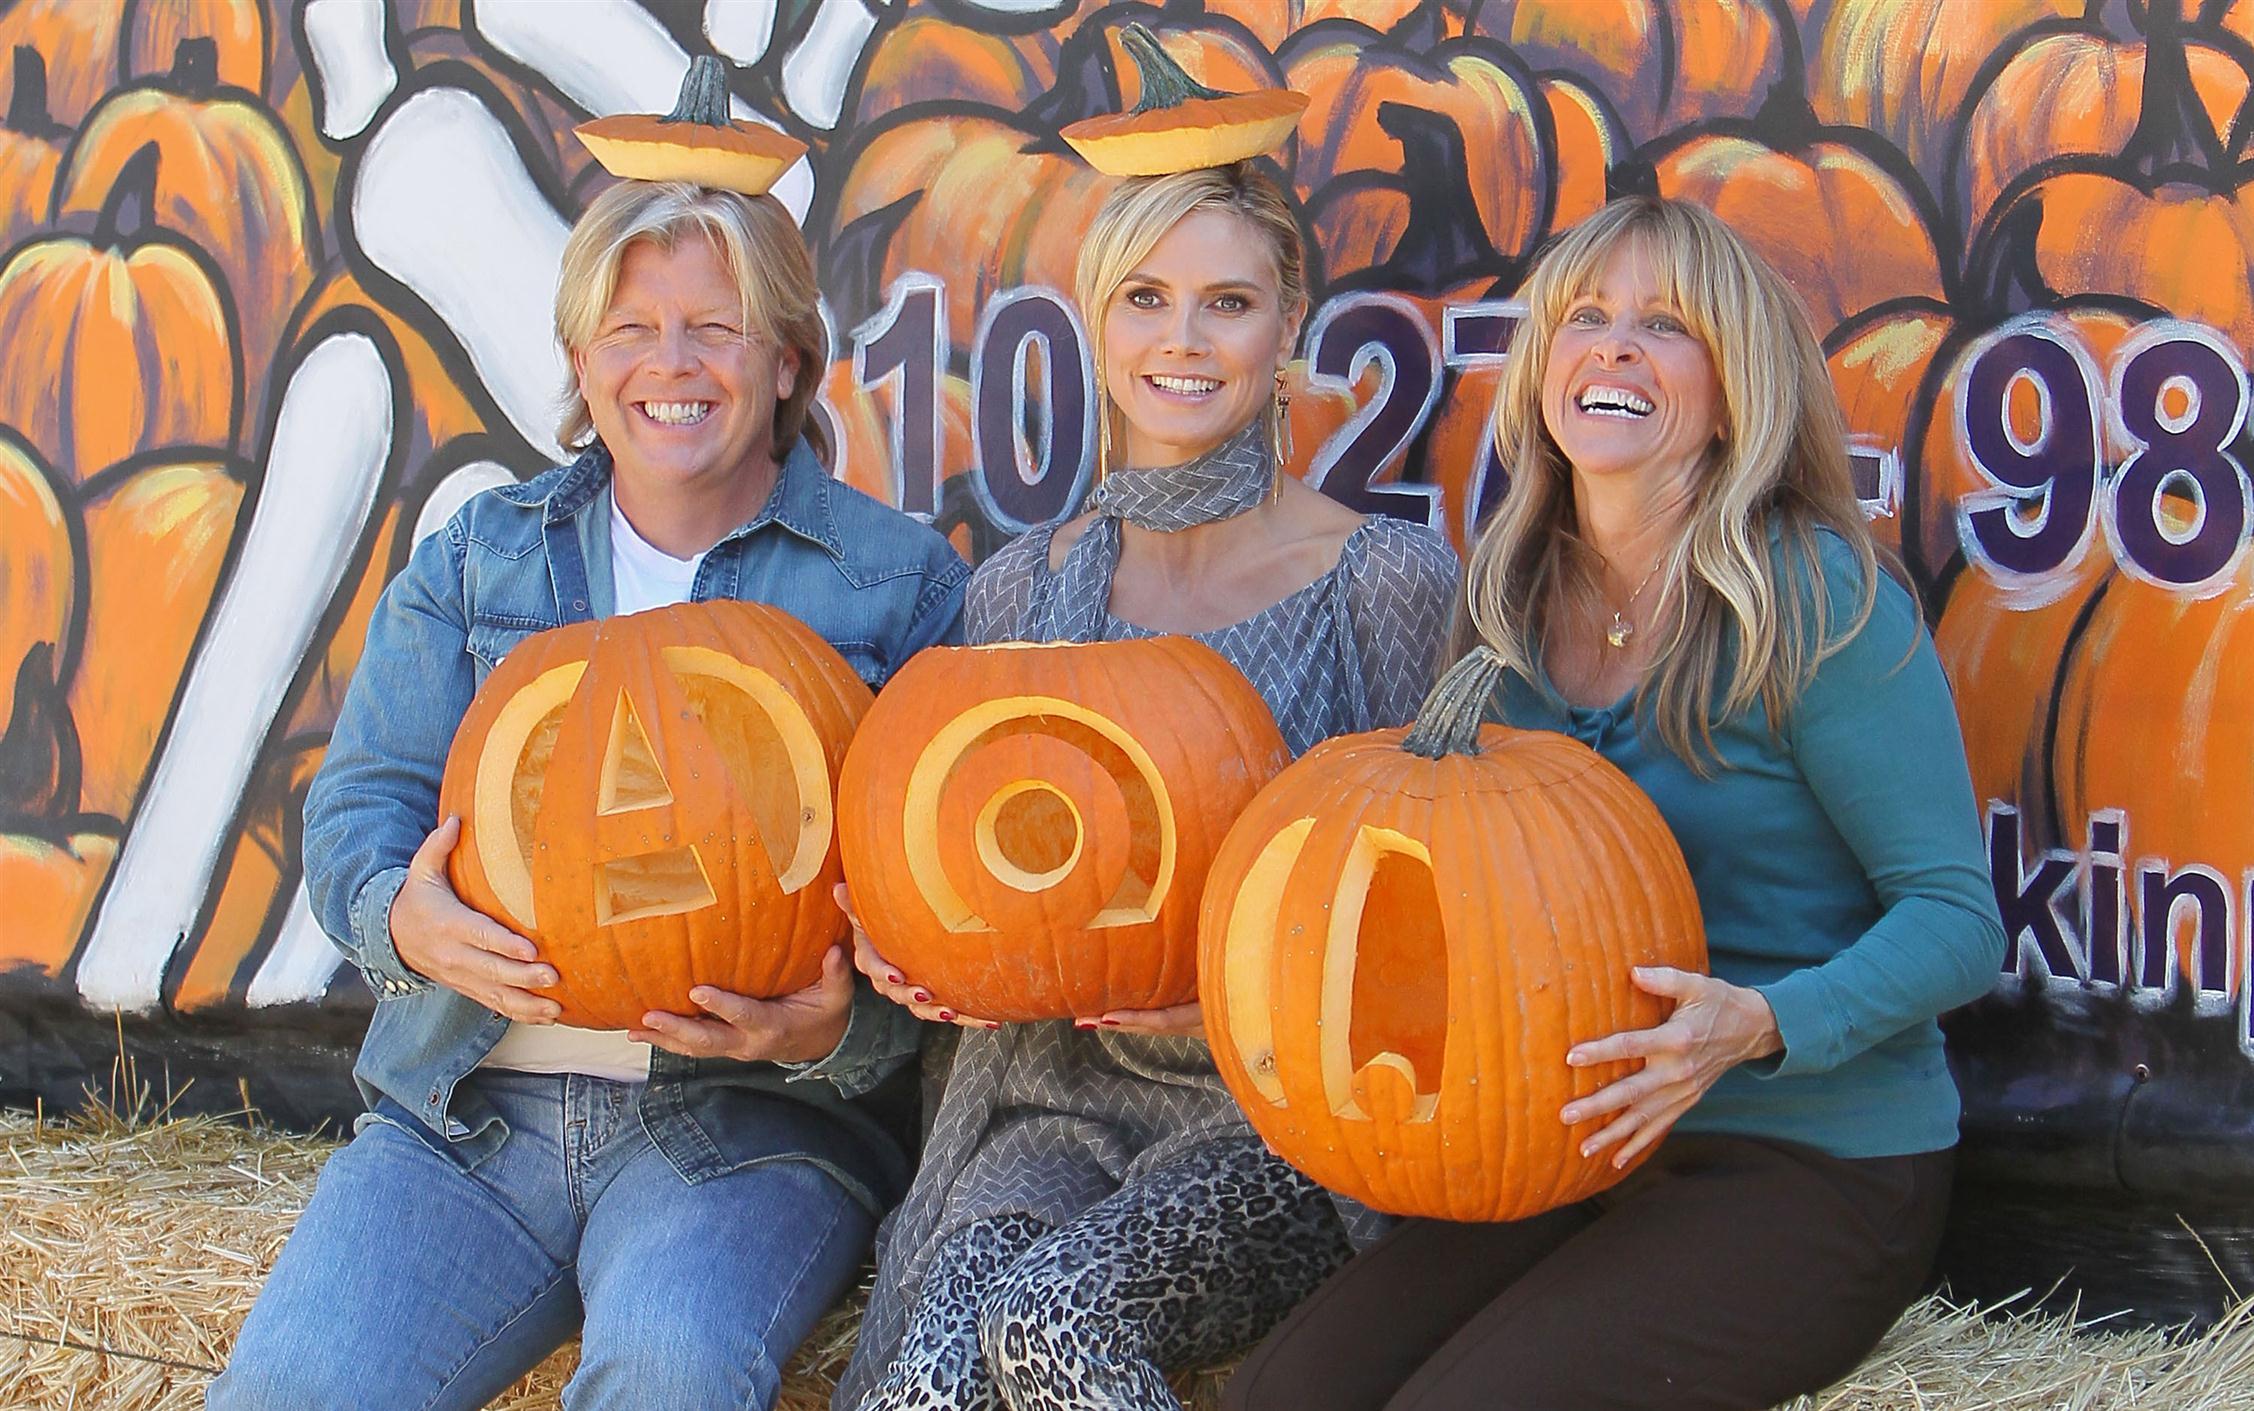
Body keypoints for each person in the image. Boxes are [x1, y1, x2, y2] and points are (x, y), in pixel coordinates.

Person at [1222, 194, 2010, 1411]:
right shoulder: (1508, 597)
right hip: (1572, 1141)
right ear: (1543, 365)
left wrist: (1754, 1022)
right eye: (1585, 315)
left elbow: (1959, 920)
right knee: (1287, 1395)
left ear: (1735, 383)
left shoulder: (1815, 598)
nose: (1614, 346)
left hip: (1811, 1153)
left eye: (1666, 325)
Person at [210, 150, 968, 1408]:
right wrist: (403, 917)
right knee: (297, 1387)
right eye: (631, 329)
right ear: (580, 363)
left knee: (671, 1367)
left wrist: (838, 1032)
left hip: (747, 1128)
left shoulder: (895, 585)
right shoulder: (478, 562)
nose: (670, 364)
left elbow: (952, 921)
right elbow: (358, 809)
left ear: (784, 362)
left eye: (714, 329)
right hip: (467, 1112)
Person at [831, 158, 1461, 1411]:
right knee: (937, 1366)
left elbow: (1448, 910)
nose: (1183, 339)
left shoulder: (1386, 584)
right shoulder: (1018, 594)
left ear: (1289, 328)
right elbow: (964, 850)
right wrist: (910, 945)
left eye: (1227, 304)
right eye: (1146, 298)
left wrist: (1244, 1004)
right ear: (1096, 320)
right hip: (1050, 1103)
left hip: (1279, 1122)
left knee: (1054, 1323)